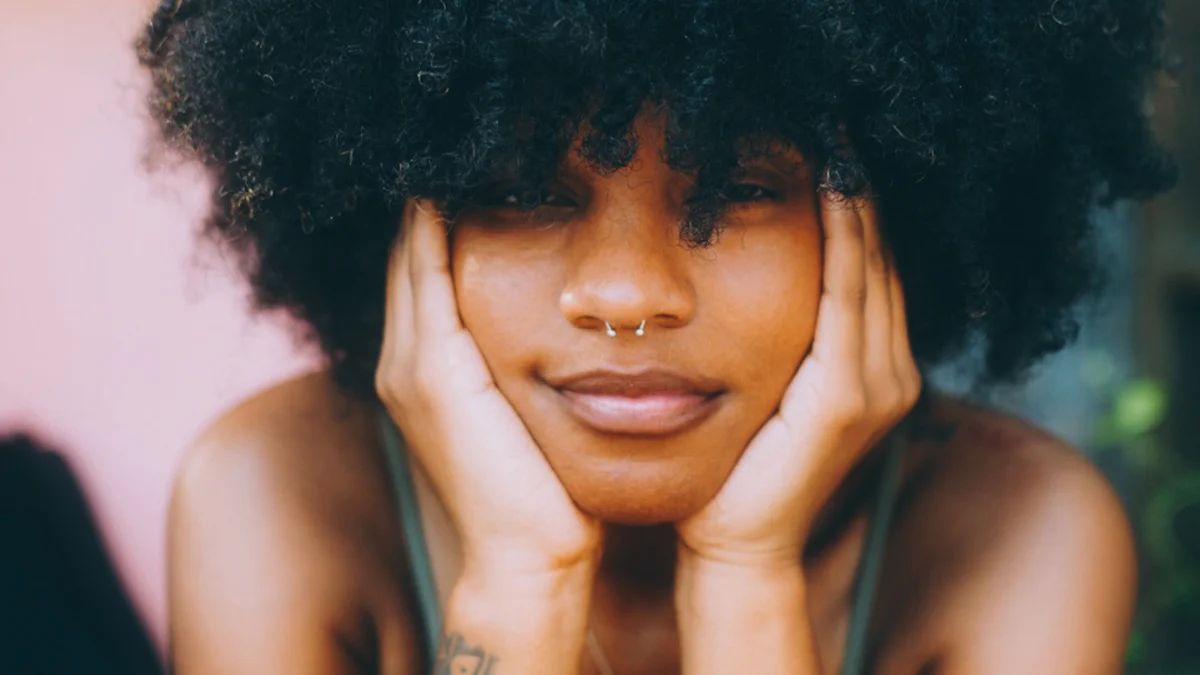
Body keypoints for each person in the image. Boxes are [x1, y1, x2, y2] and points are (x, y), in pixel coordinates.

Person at [136, 1, 1175, 673]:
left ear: (902, 211)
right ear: (400, 216)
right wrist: (517, 587)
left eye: (738, 188)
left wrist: (744, 581)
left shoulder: (1015, 533)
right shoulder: (278, 495)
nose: (627, 294)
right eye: (526, 190)